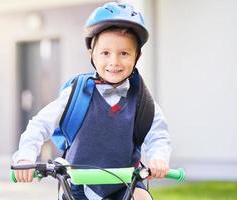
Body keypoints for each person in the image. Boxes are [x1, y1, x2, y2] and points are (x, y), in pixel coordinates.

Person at [12, 2, 171, 200]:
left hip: (126, 183)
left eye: (124, 53)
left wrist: (159, 159)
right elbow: (40, 124)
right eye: (105, 53)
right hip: (79, 185)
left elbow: (158, 135)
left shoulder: (142, 102)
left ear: (137, 57)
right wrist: (26, 155)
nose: (114, 61)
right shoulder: (76, 94)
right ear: (92, 55)